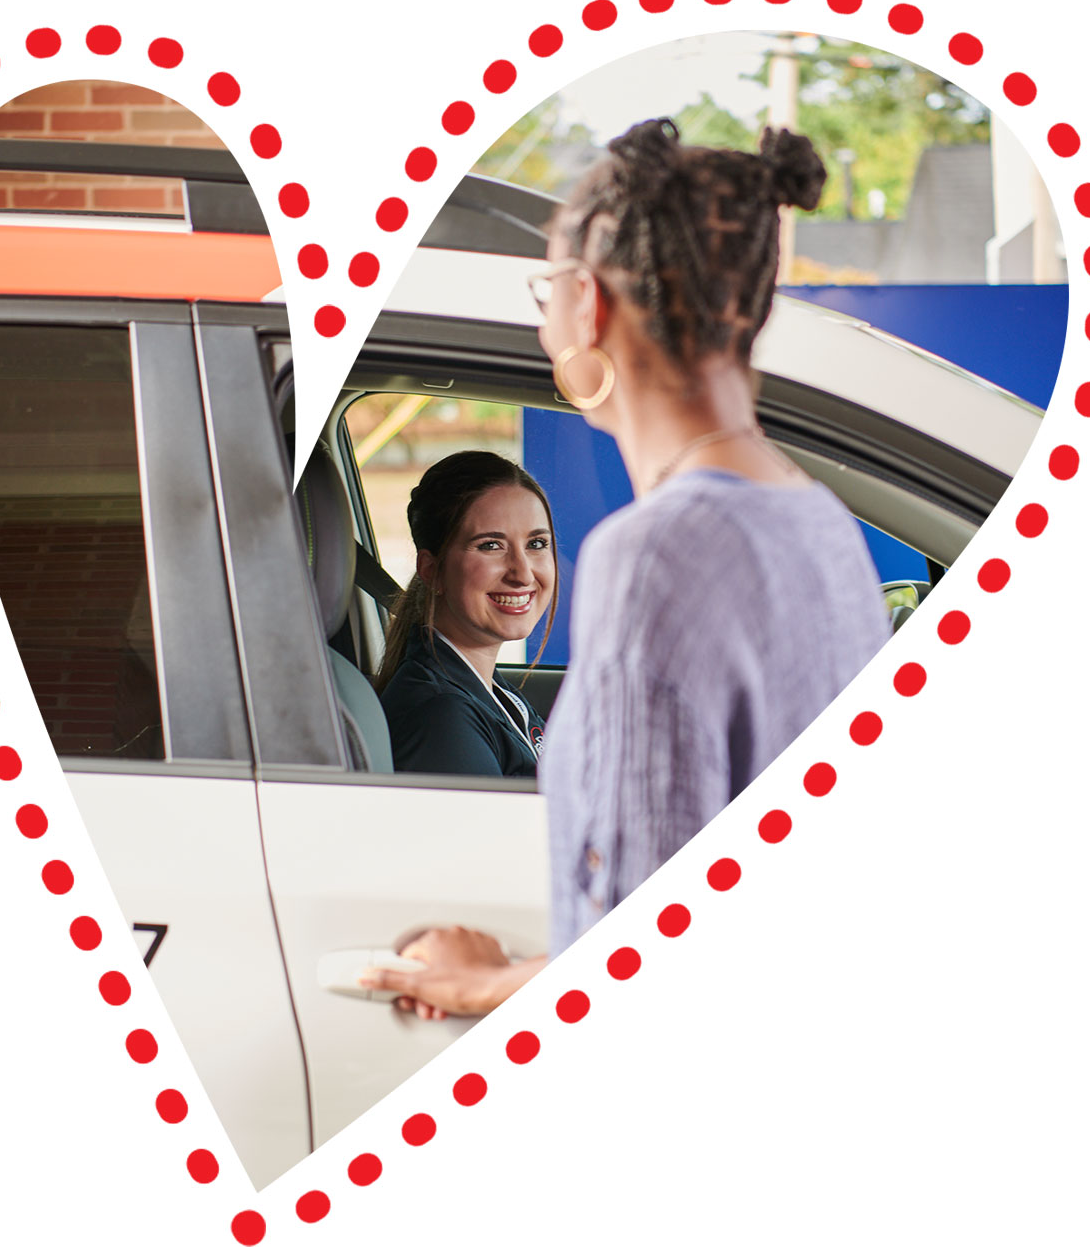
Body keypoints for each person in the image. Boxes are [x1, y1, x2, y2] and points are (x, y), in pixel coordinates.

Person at [362, 119, 891, 1015]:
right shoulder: (821, 526)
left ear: (592, 303)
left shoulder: (655, 555)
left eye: (548, 285)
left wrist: (482, 979)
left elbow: (644, 952)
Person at [376, 450, 558, 778]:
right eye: (491, 545)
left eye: (536, 544)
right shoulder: (441, 716)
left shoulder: (488, 691)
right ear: (432, 571)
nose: (523, 574)